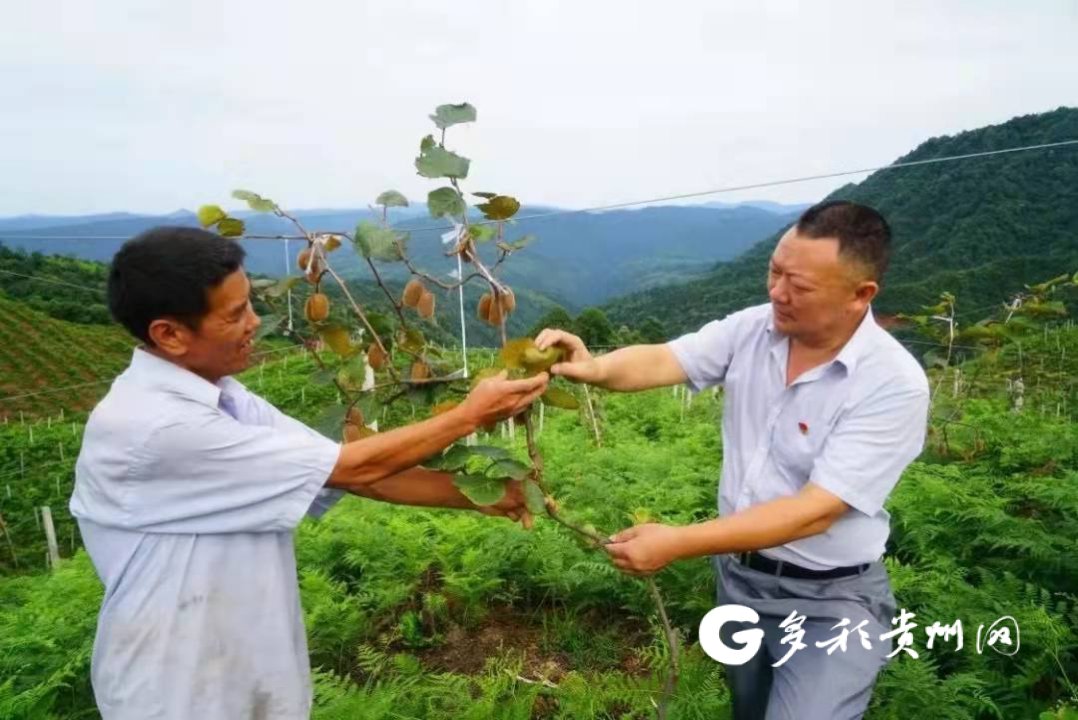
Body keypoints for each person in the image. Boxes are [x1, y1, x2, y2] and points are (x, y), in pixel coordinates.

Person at [70, 226, 548, 720]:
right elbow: (353, 465)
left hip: (245, 675)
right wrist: (469, 416)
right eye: (235, 315)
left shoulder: (225, 398)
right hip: (177, 692)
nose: (255, 322)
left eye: (250, 303)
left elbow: (341, 471)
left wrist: (484, 496)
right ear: (169, 334)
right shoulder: (155, 426)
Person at [536, 201, 929, 720]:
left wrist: (677, 541)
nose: (776, 293)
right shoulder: (753, 329)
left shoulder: (892, 384)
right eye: (774, 271)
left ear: (861, 295)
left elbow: (817, 510)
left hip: (832, 600)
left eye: (800, 286)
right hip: (739, 583)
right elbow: (666, 358)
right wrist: (595, 368)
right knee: (749, 707)